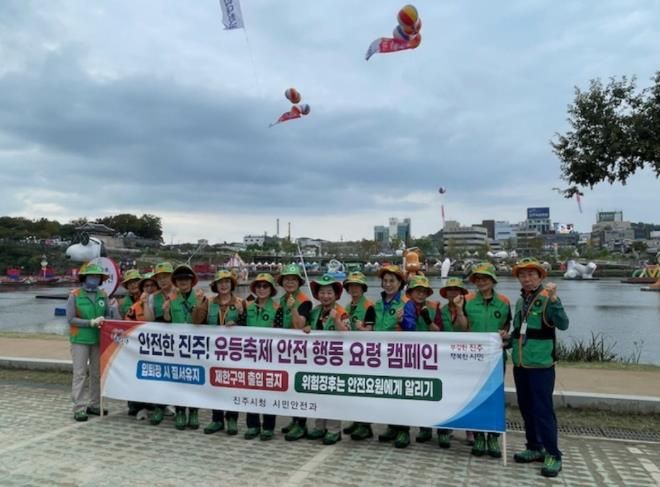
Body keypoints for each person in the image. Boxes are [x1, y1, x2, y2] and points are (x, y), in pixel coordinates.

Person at [510, 258, 569, 478]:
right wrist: (505, 338)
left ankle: (553, 454)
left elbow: (563, 324)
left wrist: (555, 300)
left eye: (531, 275)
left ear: (540, 276)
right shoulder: (520, 301)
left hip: (541, 365)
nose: (526, 279)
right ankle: (534, 447)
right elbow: (519, 331)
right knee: (526, 408)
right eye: (522, 275)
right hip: (521, 363)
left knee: (543, 410)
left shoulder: (548, 299)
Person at [464, 262, 512, 458]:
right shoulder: (466, 300)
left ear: (493, 280)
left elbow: (508, 326)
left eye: (485, 278)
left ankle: (493, 437)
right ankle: (478, 436)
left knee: (494, 396)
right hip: (473, 357)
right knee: (475, 396)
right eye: (478, 279)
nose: (481, 282)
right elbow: (462, 327)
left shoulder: (504, 302)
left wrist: (505, 334)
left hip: (495, 358)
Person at [193, 269, 245, 436]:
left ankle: (232, 418)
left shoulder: (241, 302)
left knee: (233, 386)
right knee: (214, 385)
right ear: (215, 285)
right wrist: (198, 302)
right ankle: (217, 419)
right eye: (220, 282)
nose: (224, 285)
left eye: (227, 282)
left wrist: (240, 318)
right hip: (213, 354)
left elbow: (249, 327)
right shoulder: (208, 302)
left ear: (232, 284)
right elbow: (196, 321)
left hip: (234, 354)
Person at [65, 262, 119, 421]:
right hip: (80, 339)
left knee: (96, 373)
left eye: (97, 276)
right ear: (84, 277)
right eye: (91, 276)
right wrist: (90, 322)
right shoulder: (75, 295)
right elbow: (70, 319)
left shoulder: (103, 295)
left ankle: (94, 404)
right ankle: (79, 407)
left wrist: (113, 310)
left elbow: (108, 315)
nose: (94, 279)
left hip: (98, 339)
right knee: (80, 374)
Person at [304, 274, 350, 445]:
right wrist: (306, 328)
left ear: (336, 295)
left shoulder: (341, 311)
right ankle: (319, 426)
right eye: (322, 292)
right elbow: (308, 327)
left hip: (335, 361)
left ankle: (333, 430)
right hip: (317, 360)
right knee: (318, 393)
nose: (325, 296)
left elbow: (347, 333)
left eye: (329, 292)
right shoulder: (314, 311)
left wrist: (336, 319)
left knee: (332, 395)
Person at [163, 264, 207, 431]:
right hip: (177, 347)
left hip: (196, 346)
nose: (183, 282)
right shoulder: (172, 299)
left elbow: (206, 321)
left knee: (195, 380)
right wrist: (166, 311)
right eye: (180, 279)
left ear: (192, 281)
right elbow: (167, 321)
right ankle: (180, 411)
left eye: (186, 279)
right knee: (179, 380)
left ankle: (194, 412)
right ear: (175, 282)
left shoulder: (201, 298)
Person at [374, 264, 410, 448]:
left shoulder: (406, 302)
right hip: (381, 355)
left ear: (400, 283)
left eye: (392, 281)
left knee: (401, 391)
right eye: (385, 281)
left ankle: (404, 430)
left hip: (400, 354)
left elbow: (413, 328)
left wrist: (403, 321)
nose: (388, 284)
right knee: (387, 390)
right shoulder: (377, 304)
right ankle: (392, 426)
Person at [401, 275, 440, 444]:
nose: (420, 294)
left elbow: (440, 330)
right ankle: (413, 428)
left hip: (430, 356)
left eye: (424, 291)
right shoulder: (404, 307)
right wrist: (402, 319)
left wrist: (428, 320)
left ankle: (433, 428)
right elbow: (405, 329)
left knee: (430, 392)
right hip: (409, 356)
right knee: (411, 392)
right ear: (410, 292)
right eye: (417, 291)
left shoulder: (434, 307)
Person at [276, 264, 313, 441]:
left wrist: (293, 309)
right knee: (288, 386)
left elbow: (299, 325)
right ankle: (294, 419)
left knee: (298, 386)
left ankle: (301, 424)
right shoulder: (281, 299)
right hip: (284, 349)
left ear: (299, 282)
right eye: (287, 279)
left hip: (299, 350)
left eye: (293, 279)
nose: (290, 282)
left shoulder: (305, 301)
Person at [244, 273, 281, 441]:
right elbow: (240, 327)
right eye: (258, 286)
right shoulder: (247, 306)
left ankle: (268, 426)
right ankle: (252, 425)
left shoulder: (278, 308)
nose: (261, 289)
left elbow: (282, 332)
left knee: (269, 391)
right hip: (249, 355)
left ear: (271, 289)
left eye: (265, 286)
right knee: (250, 389)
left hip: (269, 357)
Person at [341, 271, 376, 441]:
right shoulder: (347, 306)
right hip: (351, 354)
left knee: (364, 390)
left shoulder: (369, 306)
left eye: (357, 286)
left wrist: (361, 328)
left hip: (365, 354)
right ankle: (357, 420)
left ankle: (366, 425)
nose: (354, 289)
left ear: (363, 288)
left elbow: (370, 330)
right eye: (351, 286)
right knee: (353, 388)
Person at [435, 277, 469, 448]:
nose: (453, 293)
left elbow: (465, 327)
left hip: (465, 356)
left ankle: (471, 431)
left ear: (462, 293)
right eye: (450, 290)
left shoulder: (470, 307)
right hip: (446, 358)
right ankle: (444, 430)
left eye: (456, 290)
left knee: (466, 393)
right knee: (445, 394)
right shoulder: (441, 310)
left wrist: (460, 310)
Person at [125, 272, 159, 418]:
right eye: (146, 286)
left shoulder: (163, 302)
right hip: (138, 348)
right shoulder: (134, 307)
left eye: (152, 285)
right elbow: (125, 326)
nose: (149, 288)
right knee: (137, 375)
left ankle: (158, 405)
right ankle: (136, 406)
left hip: (158, 348)